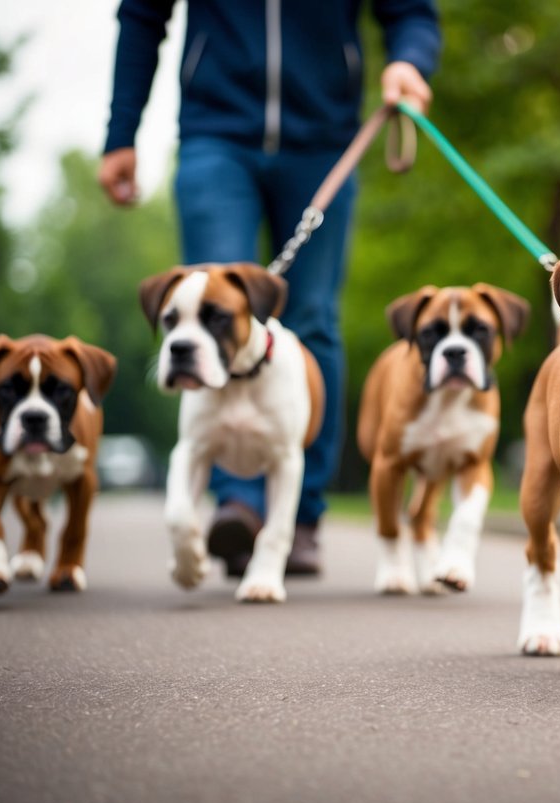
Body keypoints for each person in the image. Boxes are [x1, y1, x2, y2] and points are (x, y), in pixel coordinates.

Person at [99, 0, 440, 575]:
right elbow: (140, 15)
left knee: (311, 318)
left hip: (324, 137)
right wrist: (121, 131)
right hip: (215, 135)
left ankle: (301, 516)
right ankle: (239, 502)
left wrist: (409, 60)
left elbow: (411, 11)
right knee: (211, 309)